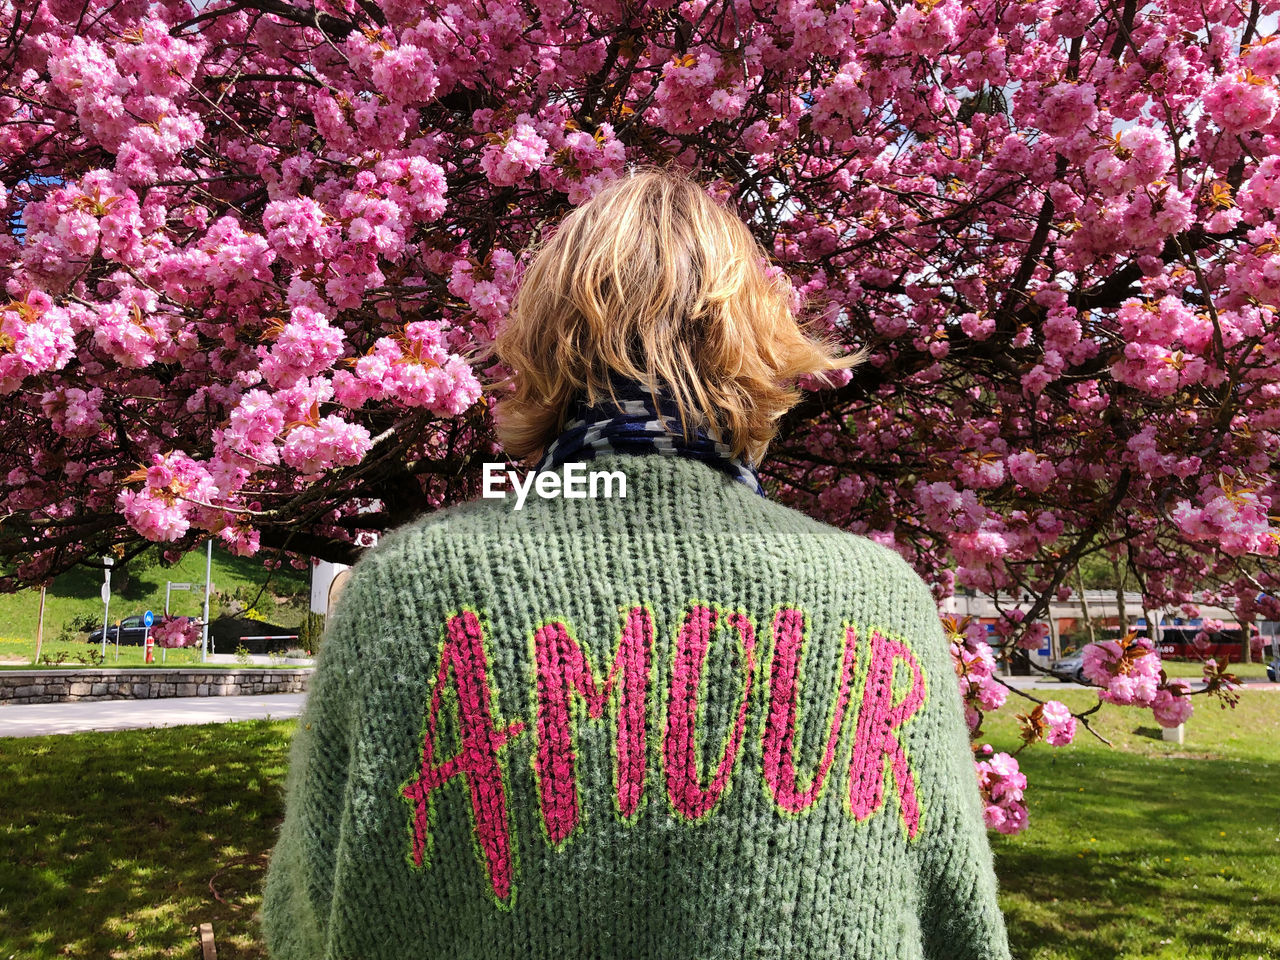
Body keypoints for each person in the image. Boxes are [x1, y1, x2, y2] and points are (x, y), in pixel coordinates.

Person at [261, 164, 1012, 960]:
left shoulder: (403, 590)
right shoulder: (882, 601)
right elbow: (962, 929)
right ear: (759, 344)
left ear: (541, 341)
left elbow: (305, 921)